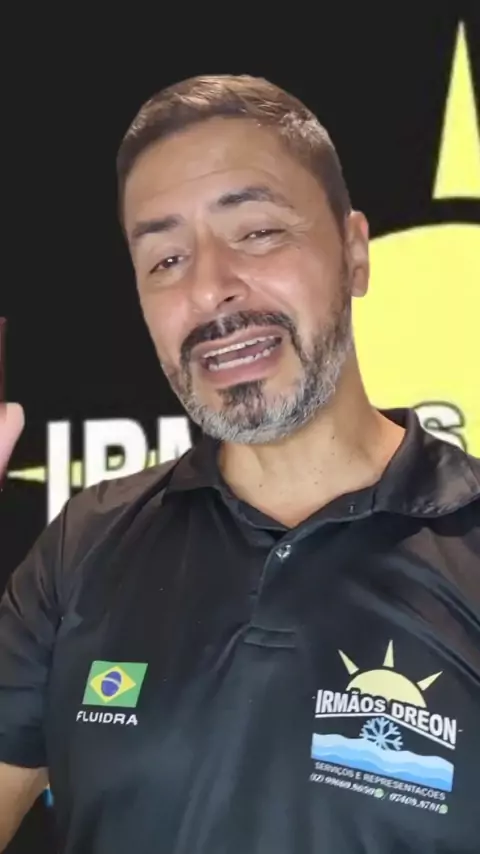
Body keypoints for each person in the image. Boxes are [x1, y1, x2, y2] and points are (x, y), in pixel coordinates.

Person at [0, 75, 479, 854]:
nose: (210, 290)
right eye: (165, 259)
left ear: (355, 253)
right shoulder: (82, 545)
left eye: (257, 232)